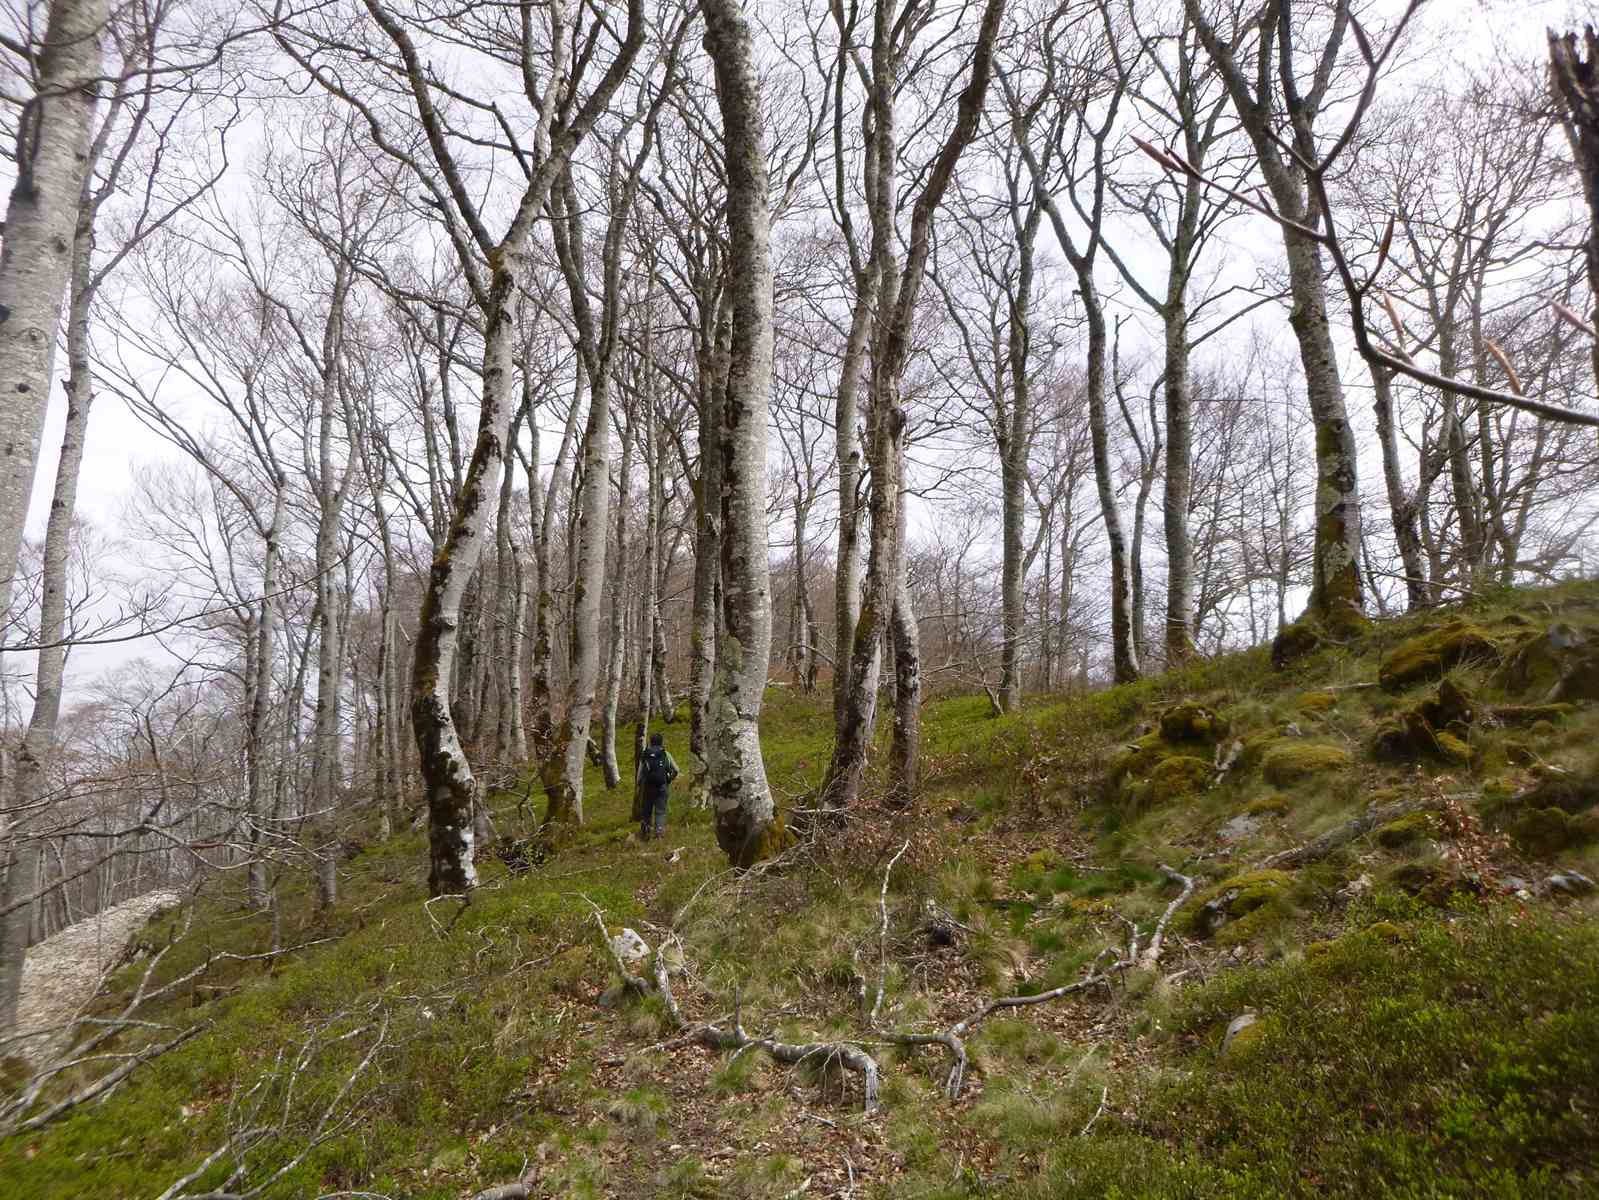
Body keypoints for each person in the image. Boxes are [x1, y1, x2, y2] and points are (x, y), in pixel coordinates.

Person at [636, 732, 679, 841]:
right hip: (662, 786)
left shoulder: (645, 754)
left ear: (650, 742)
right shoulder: (665, 754)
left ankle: (645, 833)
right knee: (660, 811)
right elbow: (676, 770)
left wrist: (639, 785)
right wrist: (668, 780)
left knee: (646, 811)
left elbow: (640, 774)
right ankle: (659, 834)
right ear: (661, 742)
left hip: (647, 787)